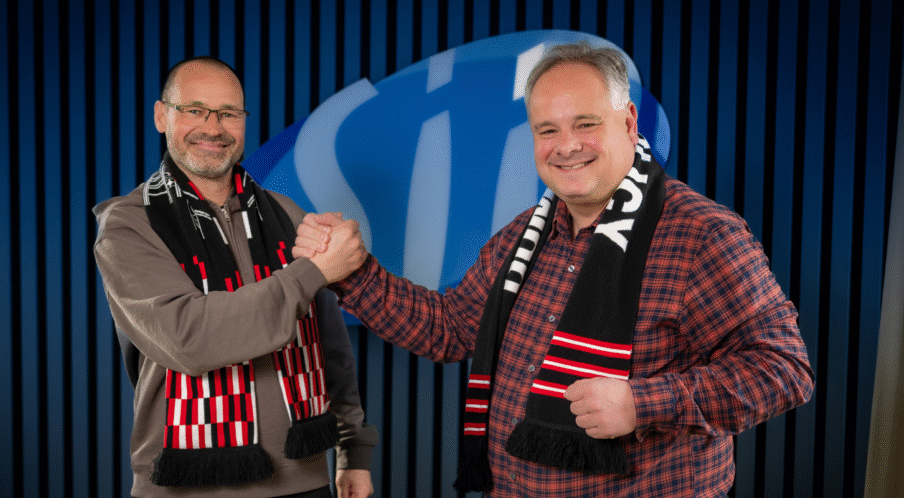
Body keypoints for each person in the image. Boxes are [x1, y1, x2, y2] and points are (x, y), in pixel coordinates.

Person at [293, 42, 814, 496]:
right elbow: (449, 329)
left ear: (629, 122)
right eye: (548, 129)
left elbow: (784, 369)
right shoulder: (527, 233)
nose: (567, 146)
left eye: (586, 124)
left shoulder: (701, 235)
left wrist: (643, 403)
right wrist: (353, 269)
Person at [94, 56, 376, 498]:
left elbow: (329, 342)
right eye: (195, 110)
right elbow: (190, 339)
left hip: (303, 479)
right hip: (186, 485)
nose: (214, 128)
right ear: (162, 116)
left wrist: (352, 450)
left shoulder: (286, 214)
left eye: (229, 113)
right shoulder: (129, 225)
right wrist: (315, 271)